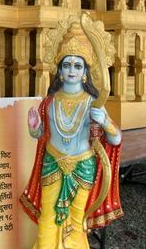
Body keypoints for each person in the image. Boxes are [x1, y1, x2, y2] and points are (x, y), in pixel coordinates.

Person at [20, 20, 123, 248]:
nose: (72, 70)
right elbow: (41, 135)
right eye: (67, 65)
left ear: (85, 72)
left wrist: (105, 122)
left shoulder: (94, 103)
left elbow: (115, 140)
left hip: (83, 167)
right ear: (59, 70)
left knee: (77, 222)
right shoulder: (48, 103)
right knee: (47, 220)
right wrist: (33, 127)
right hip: (52, 163)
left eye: (78, 66)